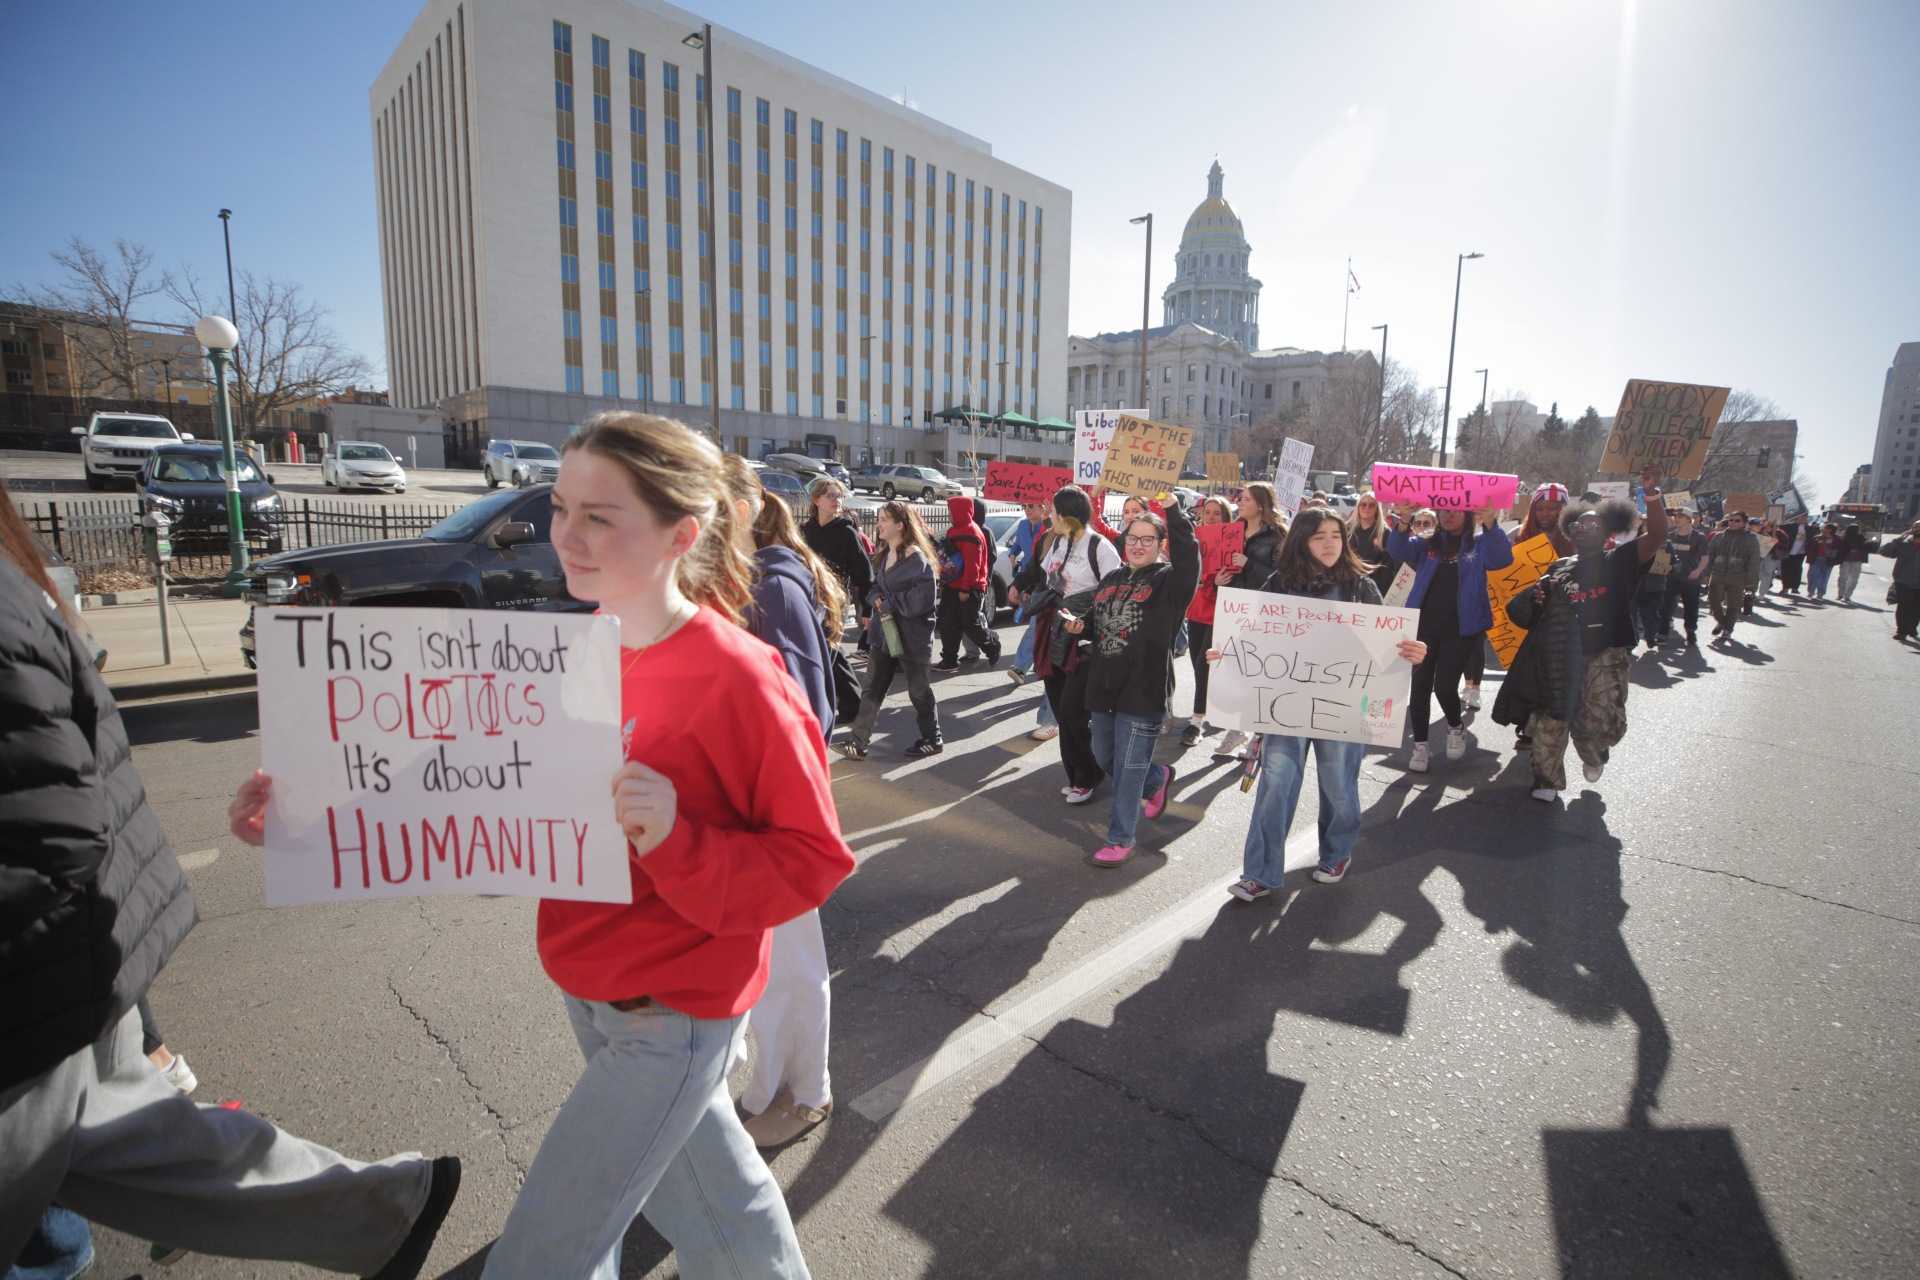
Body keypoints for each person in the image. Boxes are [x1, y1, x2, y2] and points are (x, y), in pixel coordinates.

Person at [271, 410, 848, 1278]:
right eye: (560, 509)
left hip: (672, 1013)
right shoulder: (579, 652)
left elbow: (811, 861)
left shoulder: (739, 675)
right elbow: (494, 803)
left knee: (543, 1255)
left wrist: (676, 839)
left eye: (598, 516)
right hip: (591, 989)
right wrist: (309, 811)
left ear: (679, 535)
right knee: (723, 1214)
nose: (564, 537)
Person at [2, 483, 461, 1279]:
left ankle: (383, 1211)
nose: (568, 536)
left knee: (112, 1143)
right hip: (52, 969)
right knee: (120, 1143)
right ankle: (383, 1212)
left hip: (40, 972)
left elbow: (46, 832)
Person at [719, 459, 846, 1150]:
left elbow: (807, 714)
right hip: (735, 815)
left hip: (772, 817)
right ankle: (750, 1078)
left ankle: (803, 1088)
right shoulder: (743, 580)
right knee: (751, 961)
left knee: (790, 963)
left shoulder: (771, 587)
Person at [1216, 510, 1427, 900]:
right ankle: (1260, 873)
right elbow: (1250, 637)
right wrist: (1227, 655)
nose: (1330, 543)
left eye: (1335, 535)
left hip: (1342, 707)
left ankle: (1337, 852)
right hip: (1286, 705)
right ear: (1301, 541)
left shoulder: (1360, 587)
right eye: (1318, 537)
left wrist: (1411, 651)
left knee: (1338, 784)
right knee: (1275, 784)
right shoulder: (1278, 584)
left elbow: (1385, 647)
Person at [1493, 470, 1667, 801]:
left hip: (1603, 655)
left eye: (1593, 524)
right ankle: (1547, 780)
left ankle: (1594, 754)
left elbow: (1656, 535)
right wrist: (1537, 597)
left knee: (1594, 725)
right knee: (1551, 720)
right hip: (1558, 657)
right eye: (1579, 525)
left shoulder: (1620, 561)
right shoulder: (1558, 568)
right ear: (1570, 530)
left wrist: (1653, 495)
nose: (1585, 528)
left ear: (1608, 532)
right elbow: (1525, 611)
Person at [1063, 500, 1199, 866]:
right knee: (1104, 755)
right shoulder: (1113, 579)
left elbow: (1190, 557)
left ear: (1160, 544)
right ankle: (1158, 778)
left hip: (1144, 691)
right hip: (1103, 688)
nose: (1138, 545)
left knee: (1127, 769)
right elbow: (1097, 620)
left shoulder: (1170, 581)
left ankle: (1120, 838)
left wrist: (1172, 509)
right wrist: (1080, 626)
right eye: (1133, 538)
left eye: (1148, 539)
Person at [1387, 503, 1515, 771]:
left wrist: (1491, 523)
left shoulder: (1479, 544)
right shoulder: (1428, 544)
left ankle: (1455, 727)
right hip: (1423, 628)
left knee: (1445, 686)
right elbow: (1397, 549)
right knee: (1420, 686)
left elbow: (1502, 559)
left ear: (1468, 514)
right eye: (1443, 510)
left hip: (1461, 629)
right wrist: (1403, 521)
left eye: (1455, 510)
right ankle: (1420, 746)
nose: (1448, 515)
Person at [1032, 486, 1126, 804]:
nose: (1050, 515)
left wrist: (1086, 621)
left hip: (1084, 642)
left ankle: (1088, 775)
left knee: (1073, 712)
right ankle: (1075, 774)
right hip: (1055, 634)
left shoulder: (1100, 547)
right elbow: (1046, 578)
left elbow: (1114, 595)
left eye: (1054, 510)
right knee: (1061, 710)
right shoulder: (1058, 541)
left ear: (1066, 514)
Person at [843, 501, 944, 758]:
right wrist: (874, 598)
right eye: (879, 518)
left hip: (912, 636)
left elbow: (923, 599)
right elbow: (876, 586)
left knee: (918, 691)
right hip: (884, 633)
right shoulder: (883, 553)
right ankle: (858, 742)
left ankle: (932, 738)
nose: (879, 524)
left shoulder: (916, 558)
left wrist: (888, 602)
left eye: (884, 519)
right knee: (872, 688)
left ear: (900, 525)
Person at [1211, 482, 1288, 760]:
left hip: (1263, 613)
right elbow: (1221, 565)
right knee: (1233, 670)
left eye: (1245, 499)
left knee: (1259, 673)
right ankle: (1241, 727)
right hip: (1233, 610)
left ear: (1260, 504)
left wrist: (1249, 565)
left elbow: (1283, 579)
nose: (1239, 502)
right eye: (1240, 498)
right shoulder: (1233, 531)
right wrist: (1218, 581)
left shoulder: (1278, 535)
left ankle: (1257, 735)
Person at [1180, 497, 1234, 748]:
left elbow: (1239, 575)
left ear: (1225, 518)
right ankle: (1212, 706)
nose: (1211, 517)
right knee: (1197, 664)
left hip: (1221, 611)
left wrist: (1223, 579)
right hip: (1197, 609)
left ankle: (1196, 721)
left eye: (1217, 513)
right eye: (1207, 513)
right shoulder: (1196, 539)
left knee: (1203, 664)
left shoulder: (1234, 542)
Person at [800, 476, 872, 645]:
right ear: (817, 500)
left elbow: (863, 573)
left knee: (830, 650)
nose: (836, 500)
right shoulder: (804, 531)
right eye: (830, 496)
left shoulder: (847, 533)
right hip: (807, 596)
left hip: (835, 598)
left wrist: (867, 609)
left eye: (839, 496)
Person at [933, 496, 999, 671]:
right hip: (952, 586)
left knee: (970, 625)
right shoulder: (954, 530)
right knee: (948, 624)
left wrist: (966, 588)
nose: (949, 515)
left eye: (951, 511)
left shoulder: (971, 532)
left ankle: (992, 645)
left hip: (968, 589)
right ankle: (949, 659)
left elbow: (973, 566)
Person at [1703, 510, 1762, 641]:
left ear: (1744, 523)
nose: (1733, 523)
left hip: (1738, 576)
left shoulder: (1751, 539)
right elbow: (1709, 555)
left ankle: (1727, 629)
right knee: (1713, 602)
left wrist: (1751, 583)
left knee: (1733, 605)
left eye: (1737, 520)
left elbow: (1754, 562)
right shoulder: (1718, 536)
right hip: (1717, 574)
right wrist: (1706, 573)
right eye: (1731, 520)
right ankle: (1721, 621)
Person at [1662, 508, 1711, 647]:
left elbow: (1705, 557)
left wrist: (1698, 571)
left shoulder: (1698, 537)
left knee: (1691, 606)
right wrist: (1661, 571)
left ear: (1689, 519)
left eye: (1681, 516)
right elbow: (1663, 555)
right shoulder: (1670, 535)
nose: (1677, 519)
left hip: (1690, 578)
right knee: (1666, 606)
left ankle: (1690, 631)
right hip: (1671, 577)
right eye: (1676, 516)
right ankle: (1663, 632)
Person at [1346, 490, 1397, 596]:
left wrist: (1379, 592)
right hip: (1347, 585)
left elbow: (1387, 566)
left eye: (1371, 505)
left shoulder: (1385, 532)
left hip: (1372, 588)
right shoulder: (1346, 529)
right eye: (1363, 504)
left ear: (1377, 508)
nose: (1367, 508)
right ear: (1358, 507)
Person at [1880, 519, 1920, 641]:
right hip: (1903, 581)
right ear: (1912, 529)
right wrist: (1899, 539)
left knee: (1917, 609)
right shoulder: (1904, 543)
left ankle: (1911, 627)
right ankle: (1901, 631)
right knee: (1903, 607)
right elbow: (1884, 551)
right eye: (1916, 527)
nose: (1918, 529)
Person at [1516, 482, 1575, 556]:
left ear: (1564, 510)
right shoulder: (1517, 534)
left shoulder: (1577, 537)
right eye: (1539, 509)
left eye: (1551, 509)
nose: (1545, 514)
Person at [1805, 522, 1840, 601]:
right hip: (1816, 559)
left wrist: (1835, 559)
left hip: (1828, 561)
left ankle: (1820, 594)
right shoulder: (1817, 538)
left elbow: (1839, 550)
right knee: (1813, 575)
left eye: (1826, 528)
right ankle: (1811, 592)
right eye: (1824, 528)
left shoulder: (1836, 540)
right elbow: (1809, 547)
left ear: (1830, 530)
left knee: (1824, 577)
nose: (1823, 529)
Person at [1836, 524, 1870, 603]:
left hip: (1847, 560)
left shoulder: (1844, 537)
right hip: (1855, 560)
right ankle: (1846, 596)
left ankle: (1841, 594)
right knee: (1853, 579)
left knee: (1843, 578)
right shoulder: (1861, 538)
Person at [1778, 516, 1809, 595]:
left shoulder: (1809, 529)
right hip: (1788, 552)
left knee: (1797, 570)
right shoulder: (1789, 527)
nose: (1803, 519)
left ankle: (1795, 587)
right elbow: (1779, 528)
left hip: (1800, 553)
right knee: (1785, 570)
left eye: (1805, 518)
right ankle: (1785, 587)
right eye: (1801, 518)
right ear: (1797, 518)